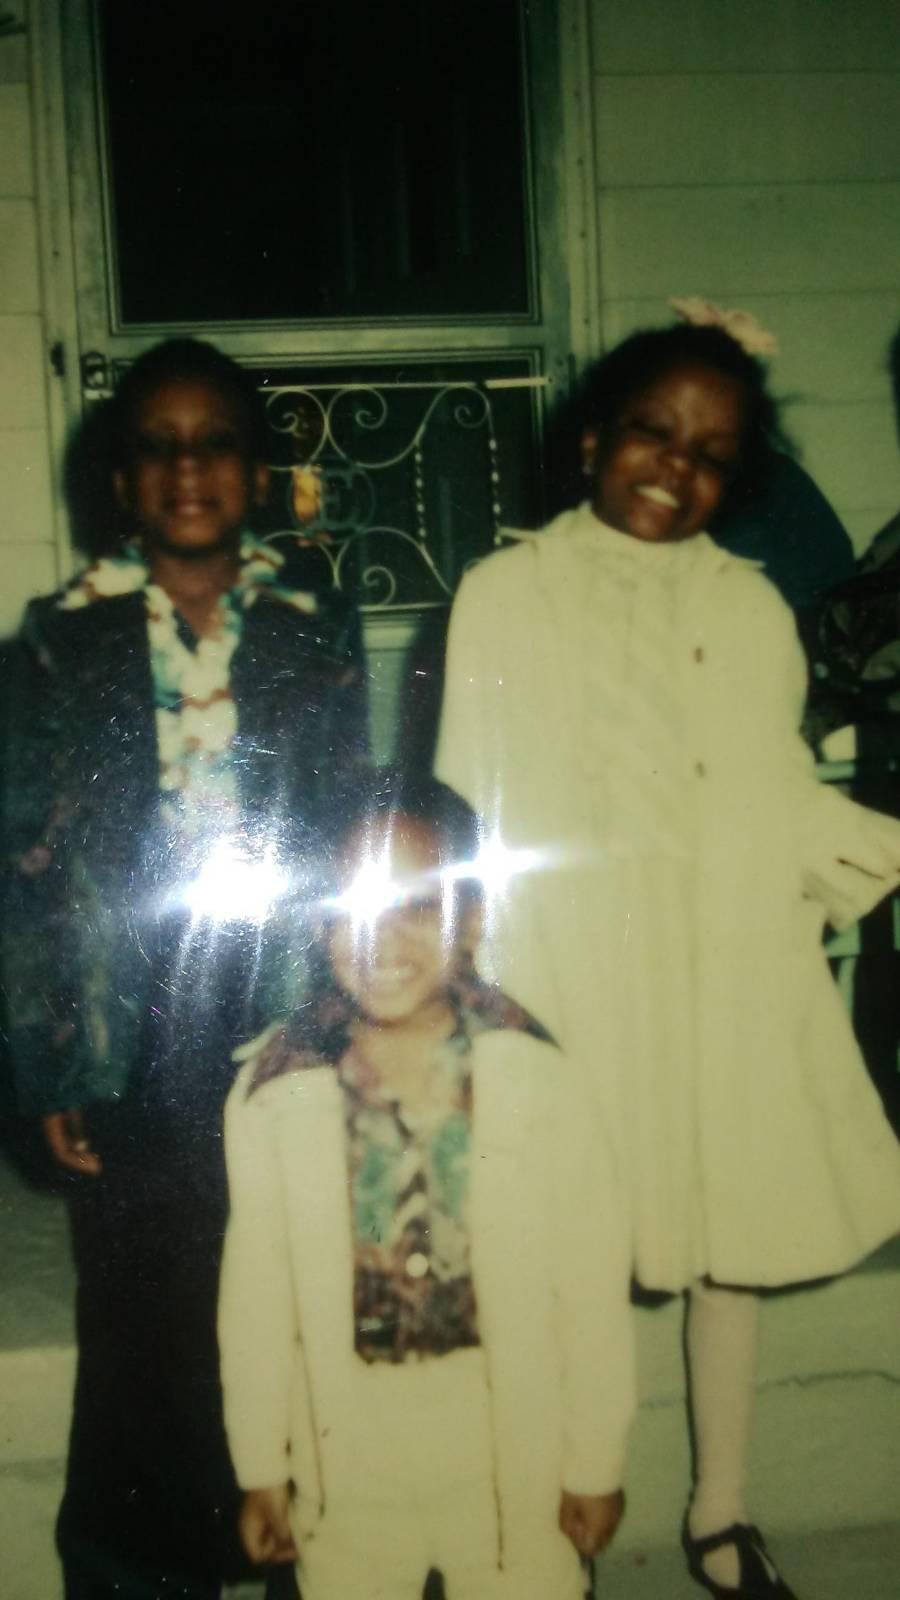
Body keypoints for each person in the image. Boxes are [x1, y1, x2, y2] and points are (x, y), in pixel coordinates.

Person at [435, 320, 900, 1599]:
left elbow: (766, 782)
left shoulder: (747, 607)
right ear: (593, 436)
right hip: (565, 958)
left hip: (716, 959)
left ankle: (720, 1508)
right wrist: (481, 991)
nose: (674, 468)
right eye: (652, 432)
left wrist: (854, 852)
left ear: (735, 480)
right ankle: (549, 1511)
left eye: (710, 454)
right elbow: (475, 796)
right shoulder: (505, 592)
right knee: (564, 1236)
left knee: (721, 1223)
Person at [2, 337, 368, 1600]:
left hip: (280, 994)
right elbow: (27, 867)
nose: (188, 467)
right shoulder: (59, 642)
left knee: (288, 1279)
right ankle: (140, 1570)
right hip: (129, 1015)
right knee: (142, 1303)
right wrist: (49, 1061)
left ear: (257, 474)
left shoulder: (315, 630)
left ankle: (310, 1548)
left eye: (215, 443)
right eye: (157, 447)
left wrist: (352, 1018)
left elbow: (345, 834)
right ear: (119, 480)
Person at [217, 772, 634, 1600]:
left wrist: (594, 1461)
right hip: (349, 1449)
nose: (381, 938)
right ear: (320, 923)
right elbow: (256, 1294)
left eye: (414, 905)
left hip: (506, 1438)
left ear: (471, 918)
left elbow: (589, 1285)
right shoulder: (277, 1091)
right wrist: (260, 1464)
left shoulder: (535, 1078)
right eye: (353, 908)